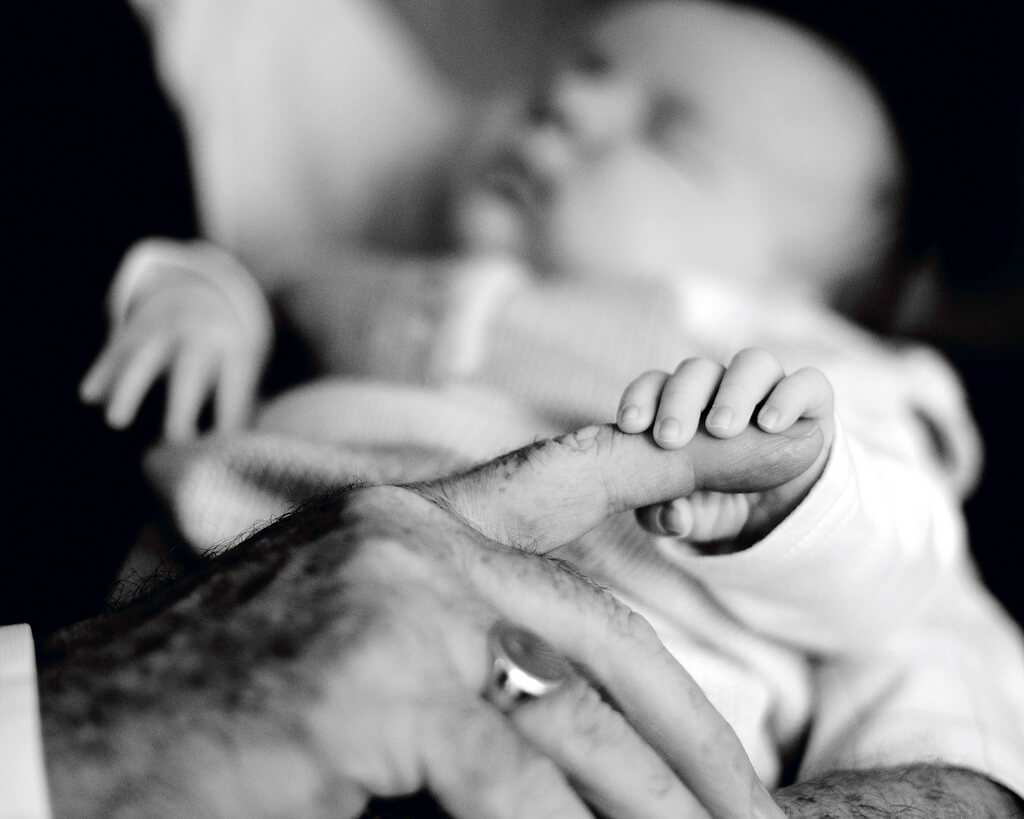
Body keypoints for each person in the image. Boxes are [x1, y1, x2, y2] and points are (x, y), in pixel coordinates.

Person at [15, 421, 1024, 817]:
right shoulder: (378, 275)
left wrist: (801, 502)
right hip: (212, 639)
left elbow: (920, 587)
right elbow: (261, 278)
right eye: (583, 74)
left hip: (642, 740)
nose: (568, 114)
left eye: (674, 127)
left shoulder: (807, 352)